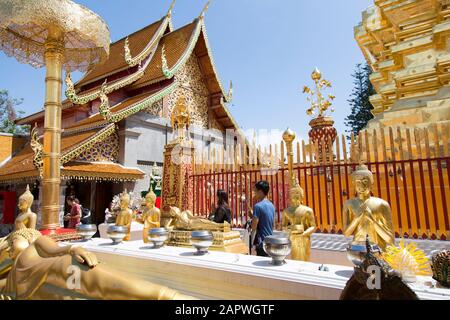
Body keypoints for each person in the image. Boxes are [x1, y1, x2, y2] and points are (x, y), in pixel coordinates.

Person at [250, 181, 275, 257]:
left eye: (255, 191)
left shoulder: (257, 206)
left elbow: (254, 227)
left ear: (260, 191)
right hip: (270, 241)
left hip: (261, 243)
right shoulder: (271, 205)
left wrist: (251, 243)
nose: (254, 193)